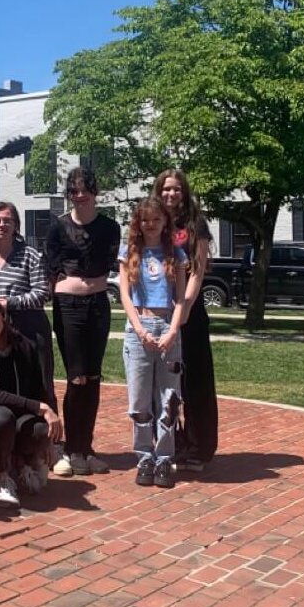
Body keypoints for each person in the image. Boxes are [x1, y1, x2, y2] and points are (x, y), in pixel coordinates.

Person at [45, 166, 120, 477]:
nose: (79, 196)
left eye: (84, 190)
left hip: (98, 305)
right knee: (76, 378)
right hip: (69, 307)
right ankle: (72, 449)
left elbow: (111, 263)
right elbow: (51, 268)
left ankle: (86, 448)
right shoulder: (58, 227)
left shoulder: (110, 227)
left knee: (93, 377)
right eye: (74, 191)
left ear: (94, 192)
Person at [0, 293, 62, 508]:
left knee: (42, 428)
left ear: (3, 315)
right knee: (1, 417)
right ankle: (2, 477)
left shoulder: (24, 346)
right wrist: (41, 408)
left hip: (20, 421)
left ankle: (24, 461)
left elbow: (39, 389)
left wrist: (49, 439)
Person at [118, 197, 187, 489]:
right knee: (139, 400)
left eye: (156, 219)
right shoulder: (129, 252)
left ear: (165, 222)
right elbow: (124, 295)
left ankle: (164, 458)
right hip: (139, 329)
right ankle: (144, 456)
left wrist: (172, 331)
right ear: (138, 222)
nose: (151, 224)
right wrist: (139, 329)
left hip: (167, 326)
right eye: (145, 219)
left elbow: (181, 298)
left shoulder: (176, 254)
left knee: (169, 399)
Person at [153, 169, 217, 471]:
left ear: (184, 192)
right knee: (162, 382)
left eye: (176, 189)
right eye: (166, 189)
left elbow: (197, 270)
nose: (171, 194)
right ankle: (170, 443)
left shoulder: (196, 224)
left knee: (195, 381)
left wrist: (186, 307)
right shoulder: (152, 221)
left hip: (190, 311)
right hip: (158, 311)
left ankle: (197, 447)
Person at [0, 202, 56, 412]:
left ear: (16, 225)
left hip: (29, 327)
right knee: (7, 382)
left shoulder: (30, 255)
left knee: (40, 383)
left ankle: (49, 428)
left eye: (7, 221)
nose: (2, 225)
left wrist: (8, 303)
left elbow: (42, 294)